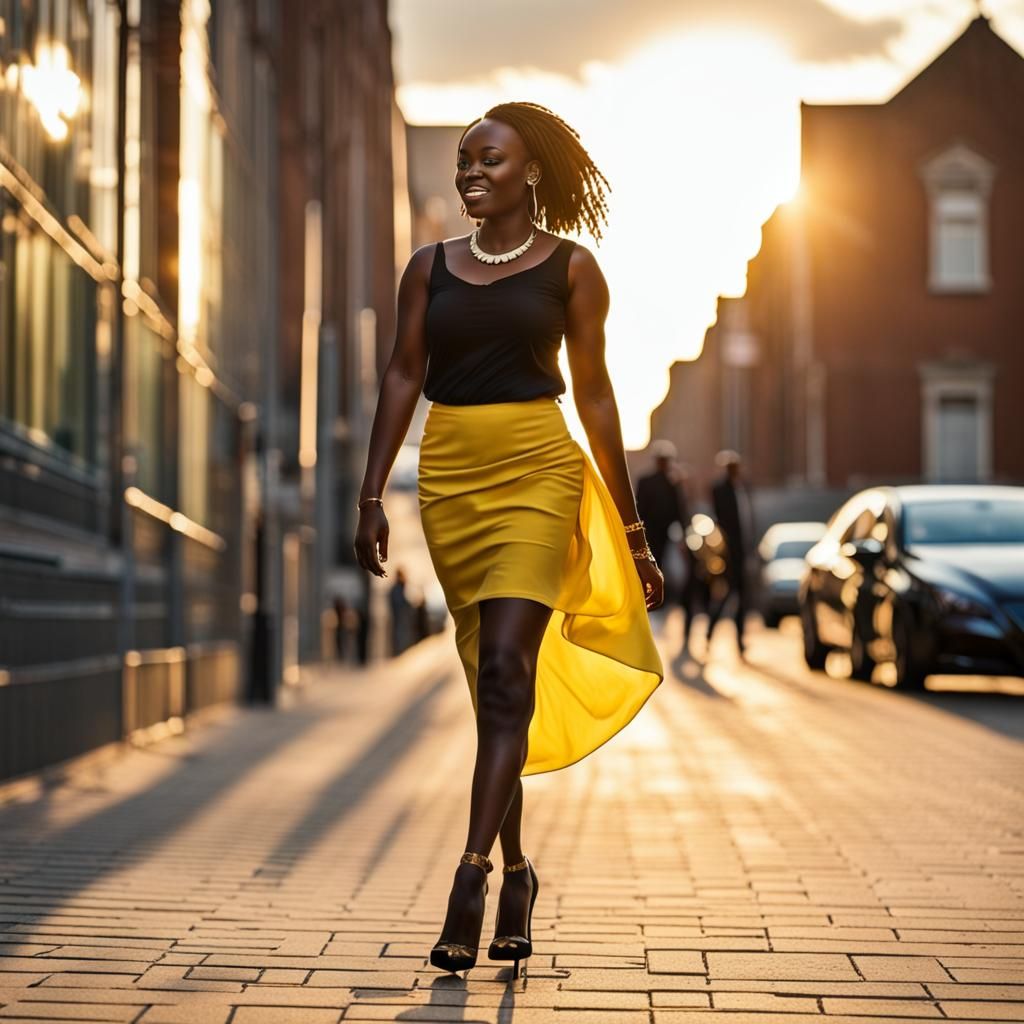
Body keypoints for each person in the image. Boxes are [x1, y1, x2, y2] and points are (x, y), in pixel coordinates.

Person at [353, 102, 664, 981]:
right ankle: (522, 872)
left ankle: (471, 879)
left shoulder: (572, 269)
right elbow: (404, 374)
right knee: (494, 696)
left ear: (530, 172)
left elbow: (597, 397)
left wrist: (634, 535)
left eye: (488, 160)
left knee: (505, 676)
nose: (470, 174)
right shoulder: (429, 269)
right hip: (451, 480)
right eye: (462, 162)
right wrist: (372, 494)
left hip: (538, 471)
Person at [705, 449, 755, 656]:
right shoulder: (720, 490)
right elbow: (722, 523)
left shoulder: (742, 489)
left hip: (741, 551)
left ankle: (739, 640)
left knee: (741, 598)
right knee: (725, 597)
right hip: (727, 554)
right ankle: (709, 634)